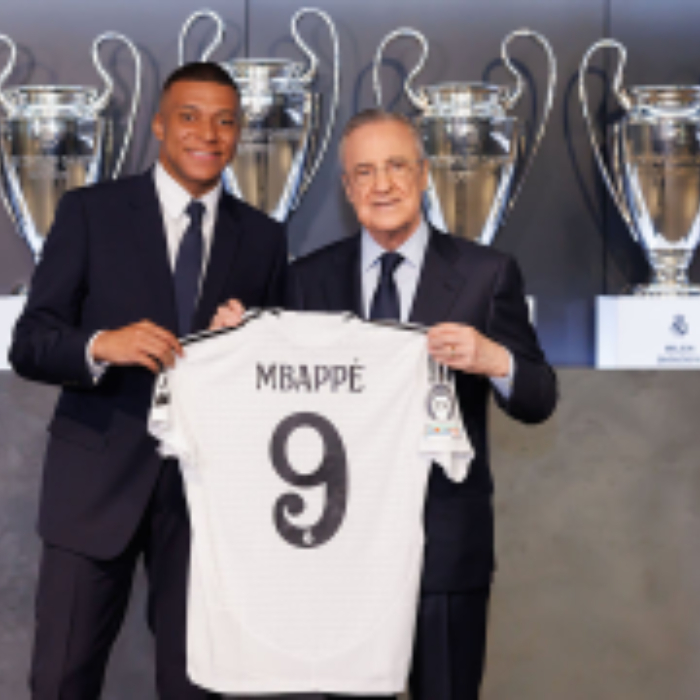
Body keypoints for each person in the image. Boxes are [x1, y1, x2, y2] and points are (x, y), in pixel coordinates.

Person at [10, 62, 286, 699]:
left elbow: (275, 379)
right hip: (93, 488)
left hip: (206, 501)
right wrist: (101, 345)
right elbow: (31, 342)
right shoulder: (89, 213)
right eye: (190, 117)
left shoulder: (264, 239)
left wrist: (251, 342)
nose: (207, 134)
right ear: (159, 125)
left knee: (197, 686)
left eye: (224, 121)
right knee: (61, 680)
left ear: (237, 133)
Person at [287, 109, 557, 700]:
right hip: (342, 550)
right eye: (365, 172)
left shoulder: (487, 274)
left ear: (424, 173)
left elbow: (539, 396)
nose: (382, 184)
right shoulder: (306, 281)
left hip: (446, 547)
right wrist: (239, 334)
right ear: (348, 188)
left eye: (396, 166)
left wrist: (496, 359)